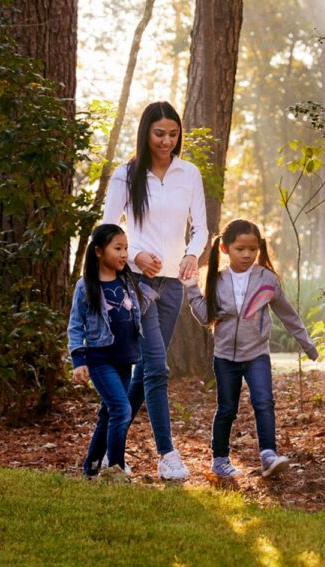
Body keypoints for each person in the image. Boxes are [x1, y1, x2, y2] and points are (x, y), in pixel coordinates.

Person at [102, 101, 207, 480]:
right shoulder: (126, 175)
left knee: (145, 368)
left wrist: (192, 255)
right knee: (158, 367)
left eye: (173, 134)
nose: (167, 141)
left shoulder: (188, 173)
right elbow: (108, 230)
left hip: (173, 286)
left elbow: (201, 229)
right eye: (159, 133)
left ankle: (106, 452)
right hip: (138, 284)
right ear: (146, 132)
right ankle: (167, 454)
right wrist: (135, 257)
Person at [184, 219, 319, 479]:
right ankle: (220, 460)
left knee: (264, 402)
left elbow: (287, 314)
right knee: (226, 408)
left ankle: (268, 455)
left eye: (252, 249)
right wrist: (191, 289)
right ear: (224, 249)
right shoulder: (217, 278)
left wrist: (307, 343)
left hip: (257, 354)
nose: (247, 254)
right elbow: (204, 316)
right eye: (240, 249)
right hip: (225, 357)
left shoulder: (267, 280)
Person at [68, 224, 157, 480]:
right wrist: (78, 360)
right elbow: (75, 325)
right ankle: (116, 468)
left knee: (108, 413)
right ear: (98, 251)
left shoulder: (127, 281)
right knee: (121, 409)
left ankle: (92, 467)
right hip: (100, 359)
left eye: (126, 248)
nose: (124, 254)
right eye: (117, 248)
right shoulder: (86, 286)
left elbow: (138, 305)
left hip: (125, 358)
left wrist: (158, 288)